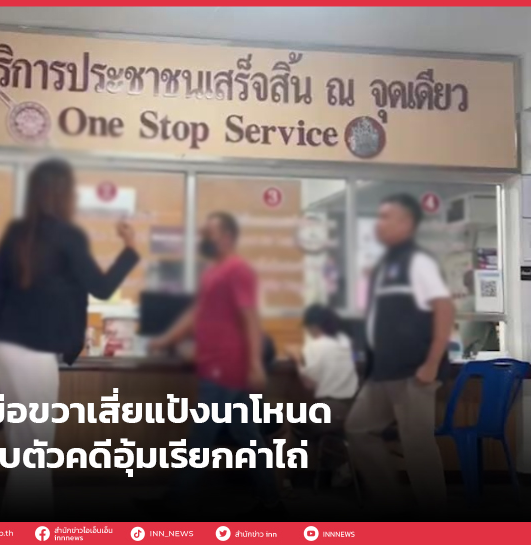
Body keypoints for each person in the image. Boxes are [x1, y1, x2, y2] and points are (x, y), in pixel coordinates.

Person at [0, 158, 139, 519]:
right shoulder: (67, 235)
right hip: (34, 352)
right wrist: (130, 248)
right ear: (62, 194)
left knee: (22, 450)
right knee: (36, 453)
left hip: (2, 348)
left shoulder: (18, 233)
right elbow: (102, 288)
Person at [143, 212, 282, 516]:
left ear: (228, 236)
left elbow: (249, 318)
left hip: (226, 368)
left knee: (202, 437)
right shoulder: (213, 273)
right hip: (218, 365)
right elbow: (195, 314)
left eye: (210, 233)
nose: (204, 238)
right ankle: (272, 501)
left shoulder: (238, 270)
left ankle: (174, 505)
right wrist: (166, 340)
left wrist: (255, 364)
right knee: (246, 435)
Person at [345, 193, 454, 514]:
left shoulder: (418, 261)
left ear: (406, 223)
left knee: (417, 445)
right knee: (358, 429)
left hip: (414, 370)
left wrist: (431, 363)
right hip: (383, 370)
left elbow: (444, 308)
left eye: (385, 217)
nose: (378, 224)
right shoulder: (384, 265)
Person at [287, 304, 358, 486]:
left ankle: (289, 479)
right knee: (326, 429)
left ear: (314, 326)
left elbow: (308, 383)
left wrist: (297, 360)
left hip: (329, 412)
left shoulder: (316, 345)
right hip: (354, 410)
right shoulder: (345, 342)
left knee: (290, 424)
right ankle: (339, 468)